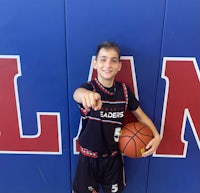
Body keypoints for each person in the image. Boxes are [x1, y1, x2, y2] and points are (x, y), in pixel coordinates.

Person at [73, 41, 161, 193]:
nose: (108, 64)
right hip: (88, 159)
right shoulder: (89, 88)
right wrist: (86, 95)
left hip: (113, 159)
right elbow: (77, 94)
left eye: (114, 60)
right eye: (103, 59)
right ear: (95, 63)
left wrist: (156, 135)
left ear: (119, 66)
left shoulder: (124, 91)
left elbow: (140, 115)